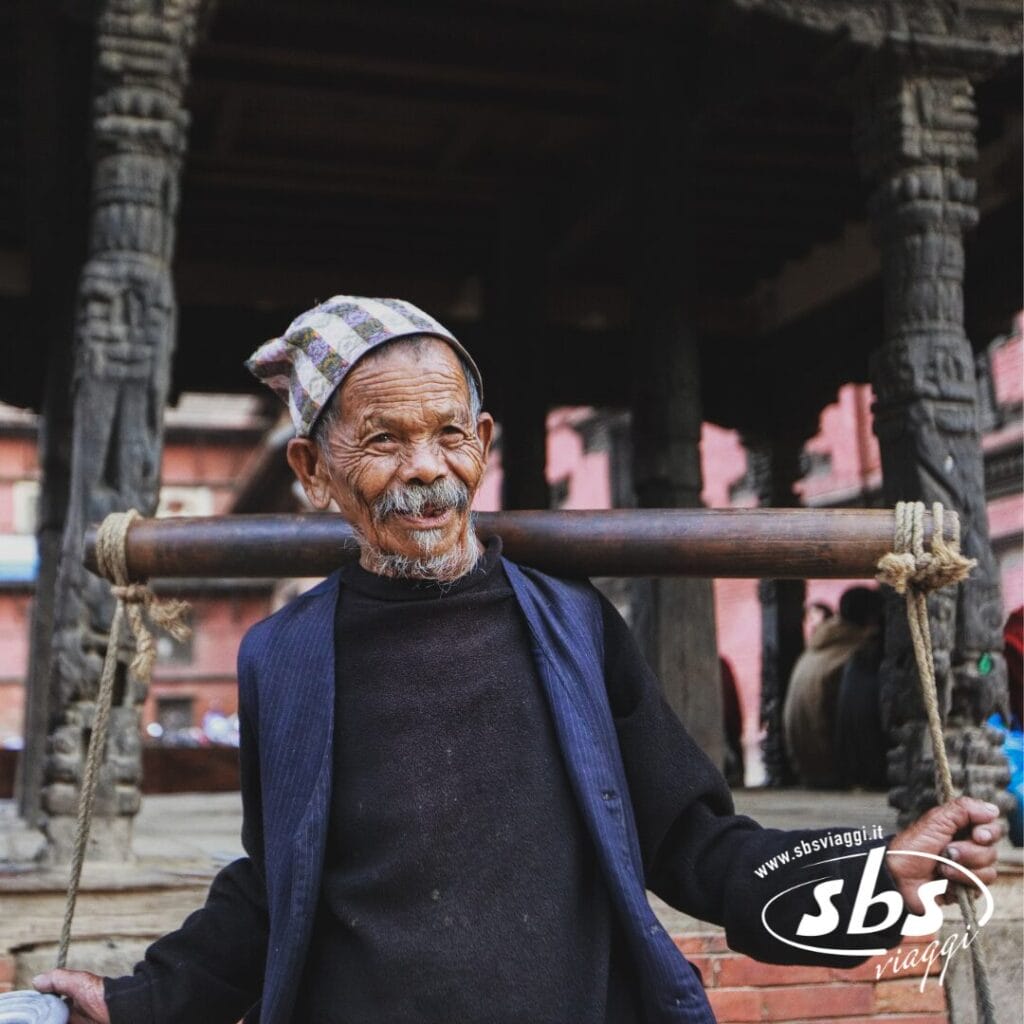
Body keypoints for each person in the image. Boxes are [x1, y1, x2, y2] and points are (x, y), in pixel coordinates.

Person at [36, 297, 1002, 1024]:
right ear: (312, 472)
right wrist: (140, 1002)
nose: (425, 468)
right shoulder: (283, 658)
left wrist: (875, 876)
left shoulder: (573, 628)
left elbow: (695, 844)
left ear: (482, 444)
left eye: (448, 433)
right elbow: (272, 881)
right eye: (382, 439)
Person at [783, 586, 882, 788]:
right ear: (873, 619)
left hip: (806, 767)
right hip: (831, 769)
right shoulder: (854, 655)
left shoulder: (819, 647)